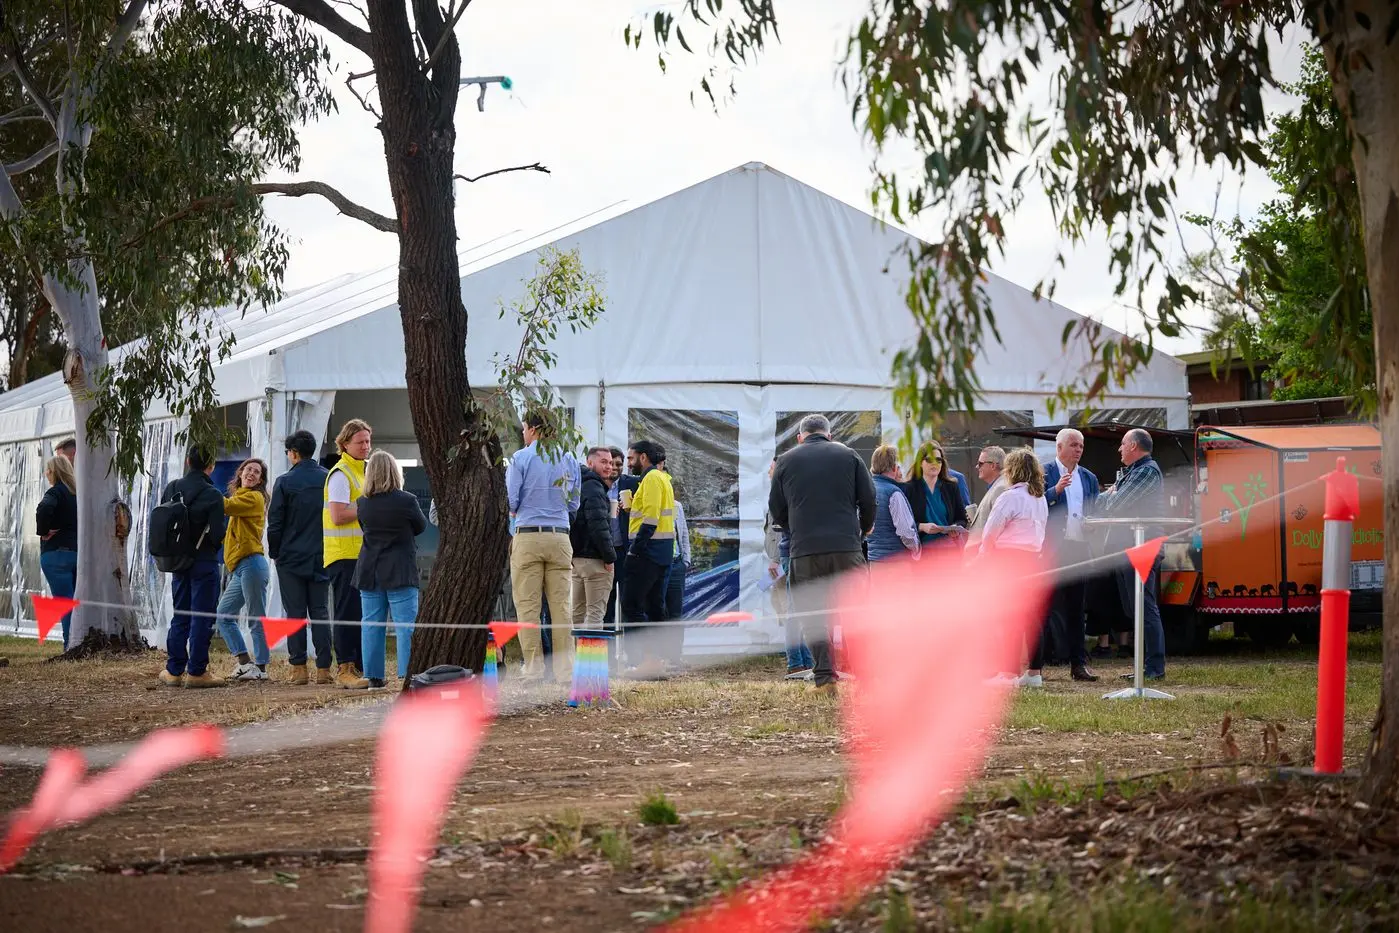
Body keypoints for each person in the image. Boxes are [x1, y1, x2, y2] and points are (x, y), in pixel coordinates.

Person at [768, 414, 876, 693]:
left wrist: (795, 531)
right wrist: (863, 530)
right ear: (829, 434)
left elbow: (776, 508)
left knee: (813, 615)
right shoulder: (849, 455)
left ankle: (825, 678)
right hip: (846, 547)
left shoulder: (785, 461)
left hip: (805, 550)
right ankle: (865, 677)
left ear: (800, 436)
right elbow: (869, 498)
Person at [507, 410, 580, 681]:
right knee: (561, 607)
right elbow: (574, 503)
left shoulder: (521, 457)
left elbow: (511, 500)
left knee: (528, 606)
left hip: (527, 534)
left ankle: (534, 668)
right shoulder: (569, 458)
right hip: (560, 535)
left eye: (525, 428)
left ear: (534, 429)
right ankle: (565, 670)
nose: (523, 433)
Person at [1099, 428, 1168, 681]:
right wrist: (1111, 497)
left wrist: (1112, 497)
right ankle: (1143, 666)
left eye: (1122, 444)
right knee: (1134, 608)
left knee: (1144, 607)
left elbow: (1114, 505)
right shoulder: (1132, 473)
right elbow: (1102, 502)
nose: (1119, 449)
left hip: (1143, 546)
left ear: (1133, 446)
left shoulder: (1147, 472)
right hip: (1129, 547)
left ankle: (1154, 668)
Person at [355, 451, 427, 689]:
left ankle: (374, 676)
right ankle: (407, 674)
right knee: (406, 624)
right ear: (395, 471)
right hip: (400, 569)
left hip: (369, 569)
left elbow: (364, 527)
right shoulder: (407, 500)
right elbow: (420, 526)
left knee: (371, 623)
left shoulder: (362, 503)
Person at [978, 449, 1050, 686]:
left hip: (1008, 559)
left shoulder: (1010, 497)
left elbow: (990, 531)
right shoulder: (1039, 499)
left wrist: (983, 557)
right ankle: (1034, 673)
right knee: (1032, 618)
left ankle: (1007, 673)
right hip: (1033, 559)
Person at [159, 445, 227, 689]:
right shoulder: (213, 494)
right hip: (204, 561)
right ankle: (197, 672)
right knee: (202, 616)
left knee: (181, 615)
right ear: (212, 466)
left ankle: (174, 670)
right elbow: (218, 533)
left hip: (178, 561)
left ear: (187, 461)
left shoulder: (172, 488)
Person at [269, 431, 334, 685]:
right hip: (322, 554)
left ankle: (298, 669)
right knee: (320, 612)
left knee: (294, 613)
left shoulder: (284, 481)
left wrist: (275, 552)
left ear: (293, 453)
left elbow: (275, 523)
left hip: (291, 557)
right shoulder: (328, 478)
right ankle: (324, 669)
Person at [1042, 428, 1100, 681]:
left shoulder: (1088, 477)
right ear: (1059, 447)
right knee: (1043, 607)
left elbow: (1095, 509)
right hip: (1052, 549)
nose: (1078, 449)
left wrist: (1093, 523)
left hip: (1079, 548)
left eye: (1082, 446)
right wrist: (1055, 491)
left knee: (1077, 610)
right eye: (1074, 445)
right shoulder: (1043, 473)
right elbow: (1032, 505)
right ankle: (1036, 666)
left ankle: (1078, 665)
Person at [323, 419, 372, 689]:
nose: (365, 446)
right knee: (346, 612)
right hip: (343, 555)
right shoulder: (341, 473)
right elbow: (338, 514)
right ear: (344, 445)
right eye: (360, 442)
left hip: (360, 554)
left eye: (367, 441)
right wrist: (370, 509)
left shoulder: (363, 472)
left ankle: (361, 665)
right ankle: (345, 667)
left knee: (360, 612)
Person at [621, 440, 675, 677]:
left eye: (631, 458)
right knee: (655, 607)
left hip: (648, 551)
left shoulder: (652, 478)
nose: (628, 464)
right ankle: (656, 661)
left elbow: (651, 519)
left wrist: (635, 550)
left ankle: (647, 660)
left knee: (631, 604)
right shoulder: (663, 479)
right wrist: (632, 509)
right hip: (662, 551)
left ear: (643, 457)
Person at [215, 458, 272, 681]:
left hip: (252, 565)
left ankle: (262, 668)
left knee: (256, 618)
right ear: (240, 473)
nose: (251, 473)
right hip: (241, 567)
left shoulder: (254, 498)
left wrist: (205, 491)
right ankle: (245, 664)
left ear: (260, 480)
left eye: (256, 472)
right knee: (224, 614)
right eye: (248, 469)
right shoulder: (241, 496)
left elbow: (226, 507)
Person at [765, 457, 812, 679]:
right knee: (793, 608)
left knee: (796, 608)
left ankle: (804, 659)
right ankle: (797, 661)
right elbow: (774, 532)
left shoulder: (783, 492)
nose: (769, 472)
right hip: (787, 556)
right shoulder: (781, 495)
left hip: (789, 555)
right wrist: (774, 560)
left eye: (772, 468)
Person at [570, 446, 617, 638]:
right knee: (595, 617)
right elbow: (598, 527)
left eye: (611, 463)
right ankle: (591, 667)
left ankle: (574, 664)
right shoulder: (594, 487)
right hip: (595, 560)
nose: (609, 467)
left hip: (577, 560)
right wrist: (609, 557)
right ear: (590, 463)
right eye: (604, 462)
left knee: (577, 616)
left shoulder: (576, 483)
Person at [36, 455, 78, 650]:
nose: (46, 474)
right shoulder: (77, 494)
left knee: (65, 604)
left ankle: (70, 646)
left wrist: (44, 531)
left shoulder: (55, 492)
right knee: (78, 603)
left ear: (54, 472)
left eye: (48, 470)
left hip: (56, 555)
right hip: (77, 554)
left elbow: (44, 508)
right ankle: (80, 641)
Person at [904, 441, 969, 550]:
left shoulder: (951, 486)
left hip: (950, 549)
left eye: (939, 460)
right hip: (923, 551)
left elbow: (961, 518)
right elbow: (903, 523)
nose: (935, 463)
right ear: (920, 462)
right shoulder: (909, 488)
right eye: (929, 460)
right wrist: (922, 527)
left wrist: (955, 527)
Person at [659, 459, 690, 671]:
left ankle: (674, 655)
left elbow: (684, 534)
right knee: (658, 610)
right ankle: (658, 655)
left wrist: (685, 559)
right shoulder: (650, 505)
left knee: (675, 611)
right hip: (658, 564)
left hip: (676, 563)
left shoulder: (677, 507)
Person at [866, 444, 920, 562]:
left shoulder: (866, 490)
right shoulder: (894, 493)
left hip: (874, 560)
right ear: (895, 468)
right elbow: (906, 532)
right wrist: (916, 549)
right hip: (896, 562)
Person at [603, 446, 627, 631]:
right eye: (613, 463)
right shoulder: (597, 487)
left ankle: (630, 654)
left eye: (620, 464)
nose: (616, 468)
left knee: (628, 602)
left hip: (624, 551)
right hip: (604, 553)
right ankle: (608, 655)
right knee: (606, 603)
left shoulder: (630, 485)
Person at [965, 446, 1009, 546]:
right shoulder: (997, 485)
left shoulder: (1000, 488)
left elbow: (996, 528)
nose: (977, 467)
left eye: (980, 463)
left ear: (993, 466)